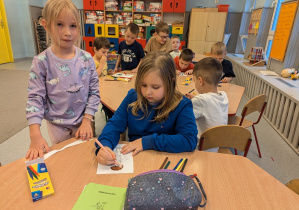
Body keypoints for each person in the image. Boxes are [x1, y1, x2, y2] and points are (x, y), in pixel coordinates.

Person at [25, 0, 100, 160]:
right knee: (64, 158)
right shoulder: (41, 62)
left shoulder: (87, 59)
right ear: (45, 25)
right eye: (60, 24)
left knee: (85, 158)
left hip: (84, 121)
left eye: (72, 26)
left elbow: (94, 92)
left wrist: (87, 119)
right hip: (57, 125)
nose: (68, 32)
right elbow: (35, 99)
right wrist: (35, 135)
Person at [95, 52, 198, 165]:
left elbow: (189, 140)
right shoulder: (132, 97)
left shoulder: (182, 104)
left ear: (170, 82)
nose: (147, 92)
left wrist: (148, 142)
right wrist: (104, 145)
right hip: (135, 160)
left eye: (155, 87)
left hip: (165, 162)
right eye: (143, 85)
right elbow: (114, 125)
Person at [185, 57, 228, 152]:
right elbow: (208, 105)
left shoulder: (202, 101)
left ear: (200, 81)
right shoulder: (223, 95)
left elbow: (181, 114)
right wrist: (194, 99)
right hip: (215, 146)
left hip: (199, 150)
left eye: (194, 80)